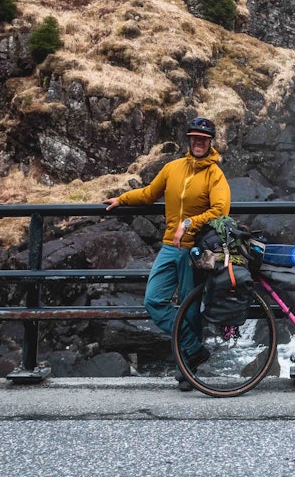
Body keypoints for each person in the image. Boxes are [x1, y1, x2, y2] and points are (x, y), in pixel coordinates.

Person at [105, 116, 231, 391]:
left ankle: (187, 369)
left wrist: (189, 223)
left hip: (195, 250)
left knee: (190, 306)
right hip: (170, 247)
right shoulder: (173, 168)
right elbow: (150, 193)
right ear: (189, 140)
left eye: (204, 139)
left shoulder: (214, 174)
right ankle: (193, 346)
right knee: (154, 300)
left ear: (210, 143)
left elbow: (220, 210)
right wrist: (122, 199)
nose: (198, 142)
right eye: (194, 137)